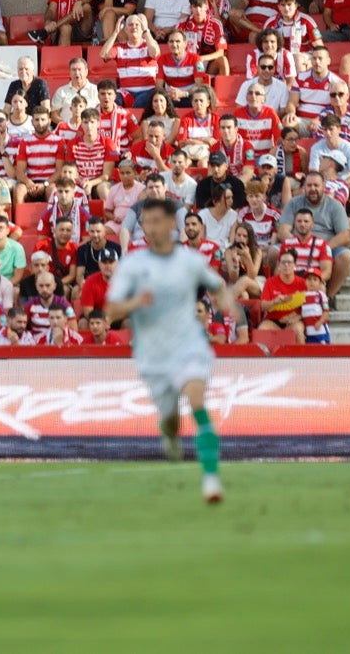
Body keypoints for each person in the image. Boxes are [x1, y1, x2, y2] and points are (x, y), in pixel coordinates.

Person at [104, 196, 229, 504]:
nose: (152, 227)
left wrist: (227, 302)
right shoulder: (133, 264)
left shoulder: (189, 260)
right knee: (172, 418)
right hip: (154, 355)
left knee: (199, 404)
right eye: (147, 221)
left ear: (172, 224)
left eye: (158, 220)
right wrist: (135, 303)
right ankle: (170, 432)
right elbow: (111, 310)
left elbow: (217, 285)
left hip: (189, 346)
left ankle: (211, 481)